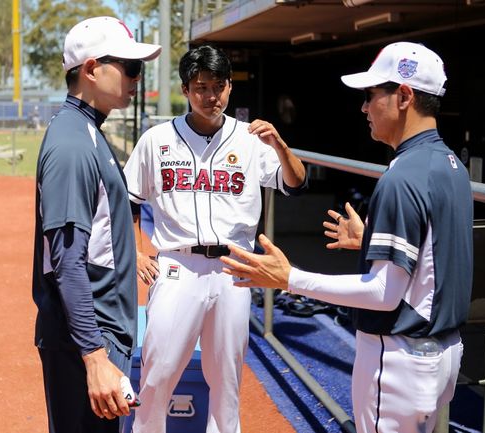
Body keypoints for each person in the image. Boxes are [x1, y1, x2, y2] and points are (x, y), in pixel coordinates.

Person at [220, 41, 473, 433]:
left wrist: (289, 279)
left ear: (404, 95)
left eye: (372, 95)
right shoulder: (450, 163)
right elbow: (433, 255)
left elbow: (385, 292)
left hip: (401, 358)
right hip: (442, 353)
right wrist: (373, 238)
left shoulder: (402, 177)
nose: (364, 107)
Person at [123, 44, 307, 433]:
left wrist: (280, 145)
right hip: (178, 264)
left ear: (229, 88)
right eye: (201, 86)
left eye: (219, 86)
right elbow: (129, 200)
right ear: (186, 89)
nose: (211, 96)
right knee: (158, 372)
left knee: (227, 379)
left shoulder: (251, 138)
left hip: (233, 267)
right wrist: (138, 251)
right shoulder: (156, 140)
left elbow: (296, 182)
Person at [31, 16, 161, 433]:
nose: (136, 78)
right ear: (90, 69)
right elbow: (66, 262)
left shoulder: (86, 129)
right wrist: (94, 357)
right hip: (86, 341)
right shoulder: (73, 142)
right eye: (130, 67)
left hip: (97, 335)